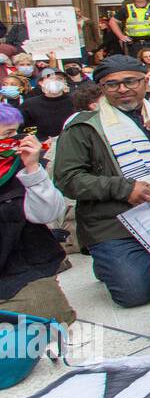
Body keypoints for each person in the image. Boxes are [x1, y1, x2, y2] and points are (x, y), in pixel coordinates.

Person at [52, 55, 150, 307]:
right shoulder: (84, 127)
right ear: (102, 88)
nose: (123, 89)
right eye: (112, 84)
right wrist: (123, 188)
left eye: (130, 81)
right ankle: (108, 261)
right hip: (116, 223)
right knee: (135, 293)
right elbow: (68, 179)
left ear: (145, 82)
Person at [0, 105, 75, 327]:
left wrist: (32, 169)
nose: (16, 139)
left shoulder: (23, 166)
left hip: (21, 263)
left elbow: (48, 214)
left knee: (47, 312)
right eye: (7, 135)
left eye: (15, 132)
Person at [19, 69, 74, 141]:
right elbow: (21, 129)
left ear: (64, 82)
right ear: (41, 82)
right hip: (40, 146)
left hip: (69, 143)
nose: (55, 82)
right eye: (51, 78)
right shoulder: (29, 104)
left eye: (59, 79)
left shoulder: (75, 102)